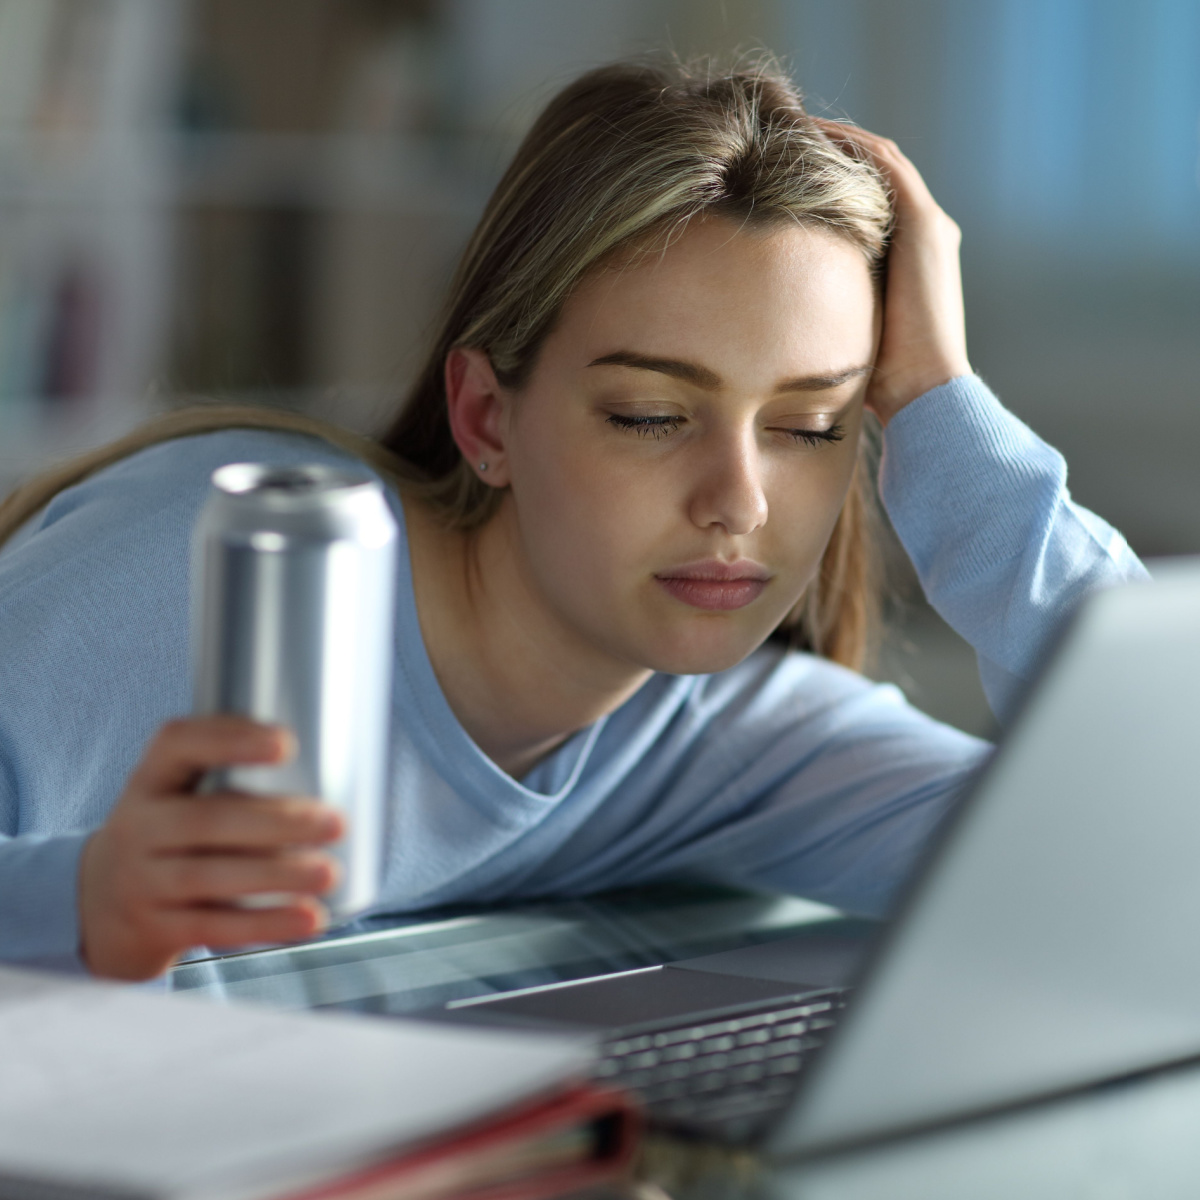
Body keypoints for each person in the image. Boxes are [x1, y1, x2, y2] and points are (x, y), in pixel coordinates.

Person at [0, 58, 1145, 982]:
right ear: (486, 416)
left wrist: (947, 415)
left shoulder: (733, 741)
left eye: (811, 426)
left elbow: (1158, 870)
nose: (738, 500)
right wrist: (83, 894)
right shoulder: (224, 559)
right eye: (651, 415)